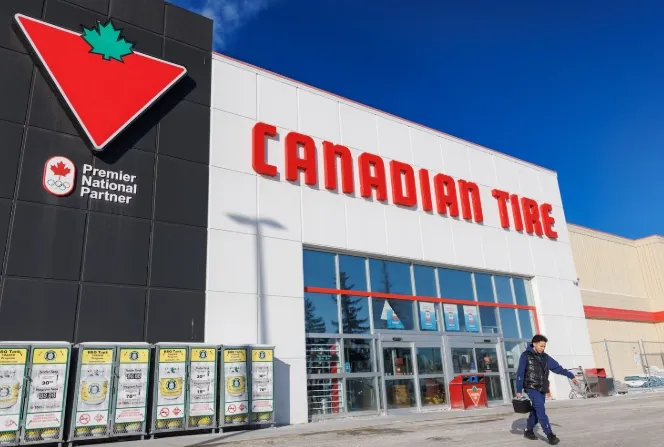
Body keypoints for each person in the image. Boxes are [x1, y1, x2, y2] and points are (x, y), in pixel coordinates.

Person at [515, 334, 578, 445]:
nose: (543, 348)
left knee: (536, 411)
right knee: (541, 410)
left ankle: (528, 430)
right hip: (531, 387)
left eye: (544, 346)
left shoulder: (545, 357)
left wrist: (570, 375)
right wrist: (519, 390)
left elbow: (557, 368)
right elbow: (520, 373)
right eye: (541, 346)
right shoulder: (525, 356)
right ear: (534, 344)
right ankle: (550, 435)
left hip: (542, 388)